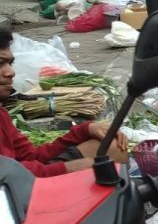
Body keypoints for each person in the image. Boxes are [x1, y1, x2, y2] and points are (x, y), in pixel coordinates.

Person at [0, 28, 128, 175]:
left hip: (19, 178)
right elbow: (7, 174)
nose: (10, 72)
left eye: (10, 63)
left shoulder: (2, 115)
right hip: (11, 188)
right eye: (0, 63)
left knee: (112, 147)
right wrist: (65, 169)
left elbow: (31, 157)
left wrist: (85, 130)